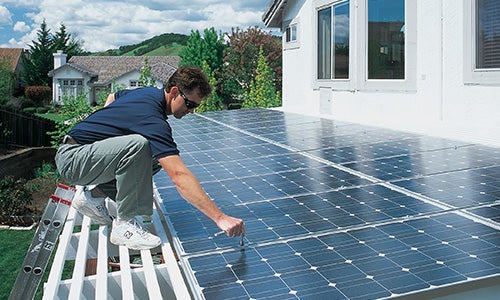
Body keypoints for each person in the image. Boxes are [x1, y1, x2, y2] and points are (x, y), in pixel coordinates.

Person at [55, 66, 245, 250]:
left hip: (81, 153)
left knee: (153, 159)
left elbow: (113, 97)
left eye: (196, 106)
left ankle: (92, 197)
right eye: (190, 104)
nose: (192, 110)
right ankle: (124, 225)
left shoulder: (148, 93)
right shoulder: (152, 119)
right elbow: (179, 175)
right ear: (174, 91)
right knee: (140, 146)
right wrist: (220, 218)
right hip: (73, 159)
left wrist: (108, 134)